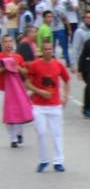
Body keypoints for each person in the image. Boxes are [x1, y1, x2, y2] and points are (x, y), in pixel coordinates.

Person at [26, 40, 70, 172]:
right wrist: (40, 92)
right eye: (46, 49)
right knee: (41, 132)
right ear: (41, 50)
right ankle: (43, 160)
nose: (48, 51)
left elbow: (67, 80)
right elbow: (27, 83)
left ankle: (58, 161)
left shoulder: (58, 65)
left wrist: (65, 96)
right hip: (39, 105)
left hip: (54, 105)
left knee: (57, 133)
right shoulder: (34, 65)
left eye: (50, 49)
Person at [1, 33, 32, 146]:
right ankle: (12, 138)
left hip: (17, 89)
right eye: (6, 42)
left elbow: (25, 72)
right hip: (3, 89)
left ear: (13, 43)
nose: (8, 44)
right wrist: (5, 67)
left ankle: (19, 133)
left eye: (10, 41)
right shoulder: (0, 56)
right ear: (2, 43)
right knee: (8, 114)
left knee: (19, 111)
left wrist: (16, 66)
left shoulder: (18, 57)